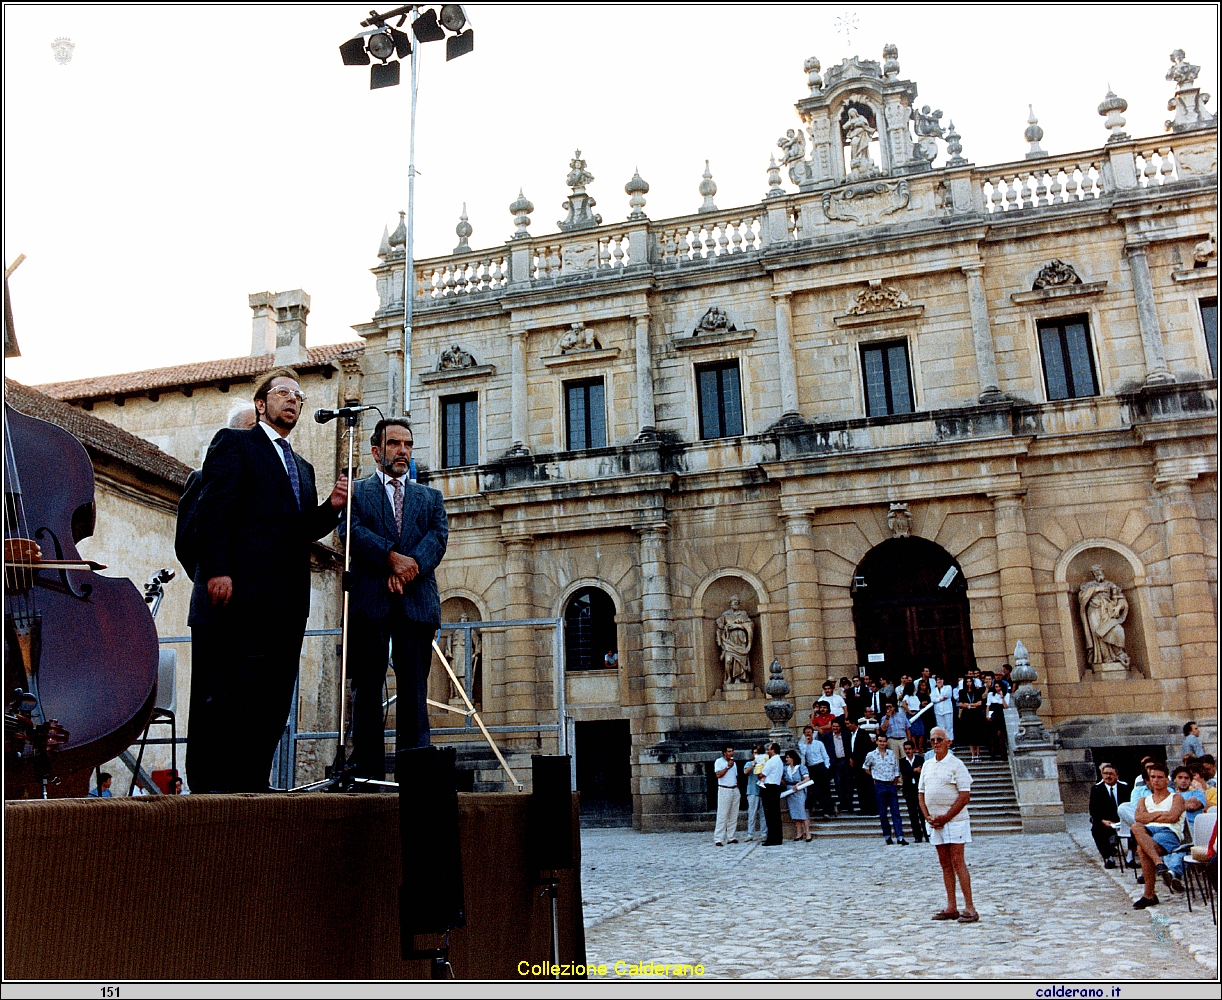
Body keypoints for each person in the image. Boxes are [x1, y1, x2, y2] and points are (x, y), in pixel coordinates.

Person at [192, 368, 347, 792]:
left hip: (288, 599)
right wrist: (218, 569)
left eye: (299, 396)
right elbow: (214, 510)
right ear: (261, 404)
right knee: (237, 691)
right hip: (244, 593)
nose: (293, 400)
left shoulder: (303, 466)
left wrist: (331, 506)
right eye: (283, 393)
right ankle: (223, 788)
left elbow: (300, 529)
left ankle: (255, 781)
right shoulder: (235, 444)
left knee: (275, 694)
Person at [342, 418, 448, 780]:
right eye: (393, 444)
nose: (402, 451)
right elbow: (350, 531)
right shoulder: (358, 493)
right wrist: (390, 558)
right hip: (371, 603)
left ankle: (414, 773)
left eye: (407, 444)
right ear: (376, 451)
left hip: (416, 605)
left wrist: (410, 567)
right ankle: (367, 772)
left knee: (415, 691)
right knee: (367, 689)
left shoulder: (430, 498)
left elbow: (438, 538)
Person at [178, 403, 258, 794]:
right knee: (209, 700)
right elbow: (187, 542)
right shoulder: (202, 478)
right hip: (214, 609)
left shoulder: (264, 485)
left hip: (253, 611)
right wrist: (213, 576)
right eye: (250, 431)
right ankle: (205, 784)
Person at [919, 727, 977, 922]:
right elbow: (921, 794)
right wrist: (928, 816)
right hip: (936, 822)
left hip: (955, 820)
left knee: (957, 861)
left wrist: (946, 816)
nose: (936, 743)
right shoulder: (927, 765)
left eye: (939, 739)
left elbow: (964, 795)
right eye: (933, 740)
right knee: (944, 863)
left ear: (948, 742)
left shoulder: (957, 765)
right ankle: (951, 906)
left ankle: (969, 907)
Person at [1130, 761, 1187, 907]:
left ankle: (1149, 895)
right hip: (1147, 832)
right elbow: (1139, 818)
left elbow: (1172, 817)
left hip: (1169, 832)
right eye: (1153, 777)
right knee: (1136, 826)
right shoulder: (1143, 800)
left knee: (1142, 849)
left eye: (1160, 777)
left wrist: (1151, 815)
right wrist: (1161, 814)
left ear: (1167, 780)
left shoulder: (1176, 798)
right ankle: (1159, 863)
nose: (1156, 780)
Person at [863, 732, 907, 845]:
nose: (882, 743)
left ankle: (900, 836)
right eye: (880, 741)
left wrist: (895, 782)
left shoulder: (891, 754)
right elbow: (865, 767)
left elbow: (896, 769)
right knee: (883, 812)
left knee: (895, 811)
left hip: (891, 784)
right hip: (879, 784)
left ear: (887, 742)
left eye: (884, 741)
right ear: (877, 742)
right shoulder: (871, 754)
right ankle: (887, 836)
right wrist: (873, 776)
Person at [1088, 763, 1129, 867]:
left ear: (1117, 776)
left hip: (1123, 820)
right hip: (1105, 820)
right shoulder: (1096, 789)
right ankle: (1108, 857)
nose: (1108, 776)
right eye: (1105, 773)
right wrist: (1103, 820)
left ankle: (1131, 857)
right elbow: (1093, 809)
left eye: (1111, 774)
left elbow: (1130, 806)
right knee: (1096, 829)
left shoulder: (1125, 788)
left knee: (1136, 827)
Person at [797, 725, 834, 817]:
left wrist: (826, 766)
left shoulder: (819, 743)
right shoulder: (802, 745)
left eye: (810, 732)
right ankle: (827, 806)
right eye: (806, 733)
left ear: (813, 733)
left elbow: (825, 755)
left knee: (825, 789)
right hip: (811, 768)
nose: (808, 734)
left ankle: (828, 810)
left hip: (821, 766)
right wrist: (805, 743)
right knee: (815, 790)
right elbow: (803, 753)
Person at [846, 717, 877, 815]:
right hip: (856, 766)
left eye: (848, 724)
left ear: (854, 723)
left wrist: (856, 759)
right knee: (860, 787)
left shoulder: (863, 734)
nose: (847, 726)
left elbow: (864, 749)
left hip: (863, 764)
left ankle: (872, 808)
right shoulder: (851, 735)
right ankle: (863, 808)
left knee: (868, 787)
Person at [712, 745, 741, 846]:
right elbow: (718, 775)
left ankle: (731, 836)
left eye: (732, 751)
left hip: (734, 789)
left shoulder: (734, 763)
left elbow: (735, 776)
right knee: (722, 814)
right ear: (724, 753)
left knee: (733, 814)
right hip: (724, 789)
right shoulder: (719, 762)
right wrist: (728, 766)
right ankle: (718, 837)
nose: (731, 753)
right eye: (729, 751)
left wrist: (737, 789)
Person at [821, 719, 852, 815]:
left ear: (840, 727)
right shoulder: (827, 736)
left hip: (845, 761)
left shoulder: (846, 734)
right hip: (835, 763)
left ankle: (849, 804)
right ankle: (842, 804)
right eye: (833, 726)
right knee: (838, 784)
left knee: (848, 783)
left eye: (837, 726)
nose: (835, 728)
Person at [900, 741, 928, 843]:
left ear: (913, 749)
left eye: (909, 749)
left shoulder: (920, 759)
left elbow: (923, 771)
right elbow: (904, 771)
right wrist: (914, 771)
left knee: (922, 813)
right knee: (913, 814)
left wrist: (910, 771)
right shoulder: (902, 761)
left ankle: (927, 834)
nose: (908, 751)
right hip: (909, 790)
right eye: (906, 749)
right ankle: (917, 836)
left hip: (919, 789)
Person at [781, 749, 811, 842]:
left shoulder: (801, 767)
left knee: (801, 810)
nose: (786, 759)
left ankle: (807, 832)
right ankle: (799, 833)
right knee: (793, 812)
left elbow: (807, 778)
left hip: (799, 791)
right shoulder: (786, 769)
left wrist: (799, 784)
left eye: (788, 757)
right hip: (790, 791)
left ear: (793, 758)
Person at [956, 675, 985, 762]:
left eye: (970, 681)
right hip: (967, 715)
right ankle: (973, 755)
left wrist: (969, 705)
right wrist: (971, 705)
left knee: (977, 734)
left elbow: (979, 703)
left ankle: (978, 754)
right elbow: (961, 704)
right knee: (970, 735)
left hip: (976, 714)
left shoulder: (977, 691)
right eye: (967, 682)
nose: (969, 683)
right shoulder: (962, 692)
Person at [760, 743, 784, 846]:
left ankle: (771, 838)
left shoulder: (772, 761)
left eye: (769, 749)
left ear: (773, 750)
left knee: (770, 814)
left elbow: (762, 774)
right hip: (776, 787)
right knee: (775, 814)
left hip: (769, 787)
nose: (767, 751)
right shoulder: (779, 761)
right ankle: (778, 838)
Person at [744, 744, 767, 841]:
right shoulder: (749, 763)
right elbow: (745, 772)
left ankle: (764, 833)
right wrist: (754, 763)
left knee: (763, 814)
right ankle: (750, 834)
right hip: (753, 791)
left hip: (763, 790)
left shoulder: (765, 762)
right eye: (755, 753)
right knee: (752, 813)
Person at [985, 680, 1010, 759]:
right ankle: (992, 754)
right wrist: (987, 716)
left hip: (1001, 715)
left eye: (999, 687)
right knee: (992, 735)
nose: (998, 688)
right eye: (996, 687)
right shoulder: (990, 694)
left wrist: (1002, 696)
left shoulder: (1007, 695)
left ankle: (1003, 754)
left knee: (1000, 735)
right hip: (993, 714)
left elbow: (1006, 706)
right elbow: (988, 706)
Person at [931, 674, 955, 741]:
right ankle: (942, 740)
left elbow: (946, 695)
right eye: (938, 680)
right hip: (938, 711)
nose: (939, 681)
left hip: (947, 710)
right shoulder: (934, 690)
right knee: (940, 727)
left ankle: (950, 740)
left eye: (940, 679)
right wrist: (940, 699)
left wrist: (938, 699)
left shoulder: (948, 687)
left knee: (949, 726)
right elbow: (932, 699)